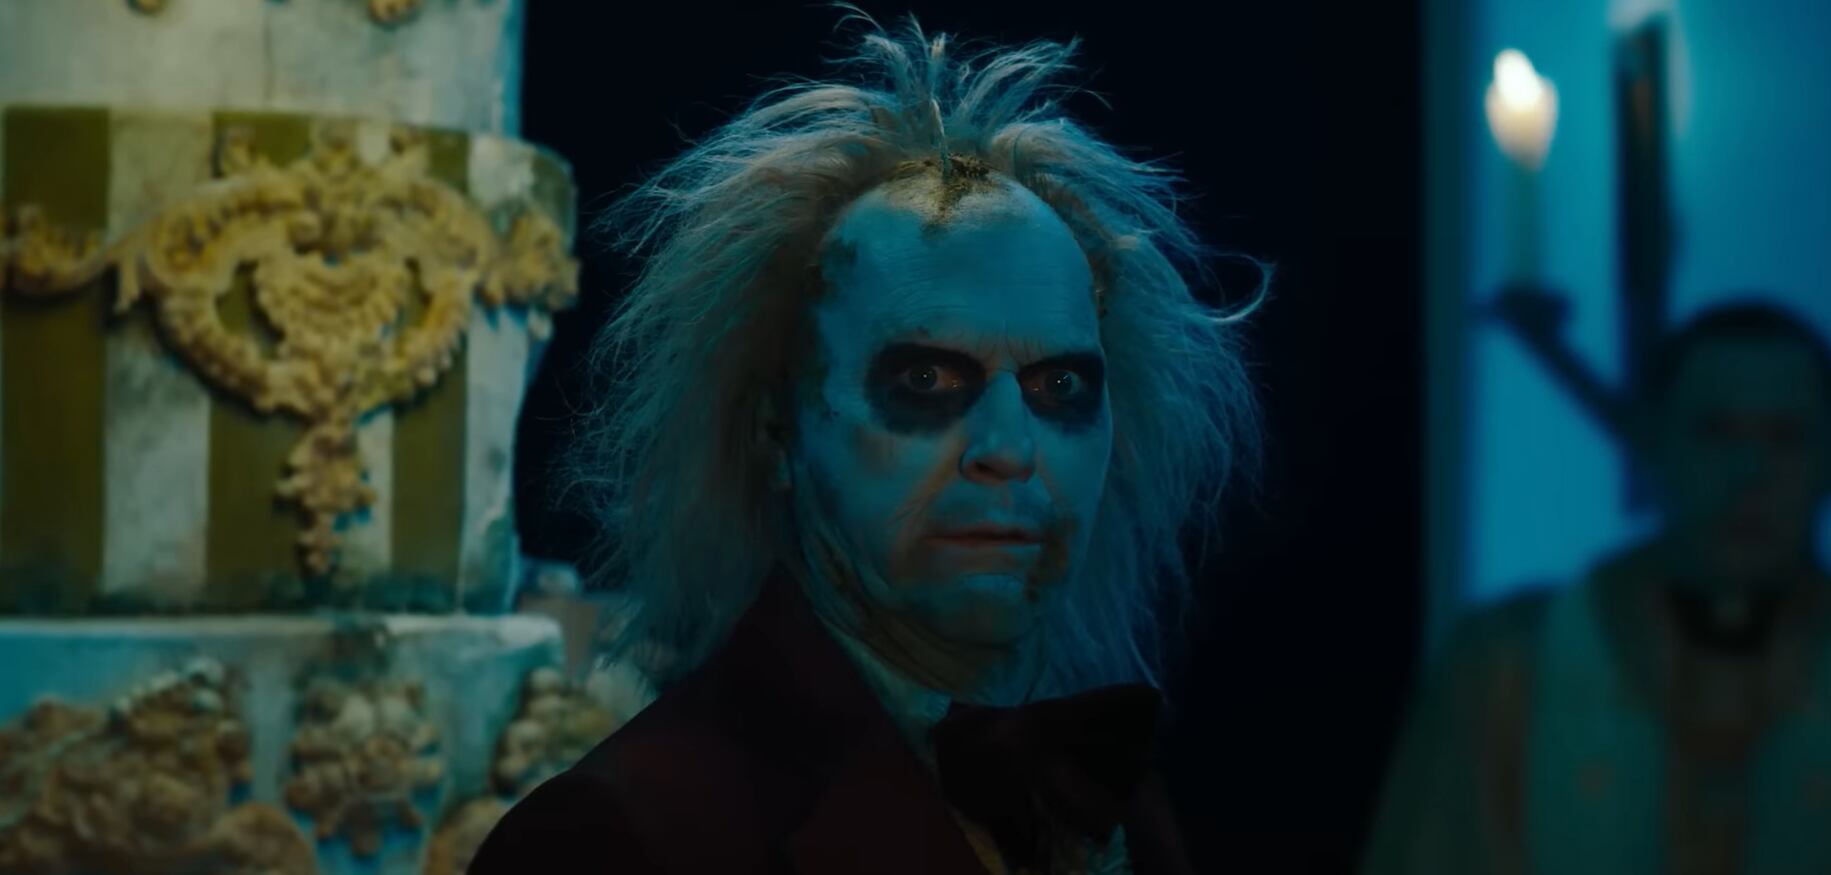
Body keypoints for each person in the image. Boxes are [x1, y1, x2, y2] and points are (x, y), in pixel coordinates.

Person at [470, 12, 1260, 875]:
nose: (1009, 448)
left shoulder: (1111, 799)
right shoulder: (620, 835)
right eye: (926, 380)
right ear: (776, 426)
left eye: (1059, 388)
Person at [1362, 300, 1831, 875]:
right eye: (1716, 431)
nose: (1750, 472)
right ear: (1655, 440)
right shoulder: (1509, 669)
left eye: (1787, 437)